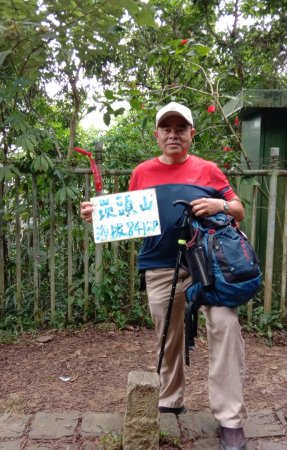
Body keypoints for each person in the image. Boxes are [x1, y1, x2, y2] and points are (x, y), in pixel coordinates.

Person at [80, 102, 248, 450]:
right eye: (166, 128)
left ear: (191, 134)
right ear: (157, 135)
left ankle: (230, 420)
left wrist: (220, 205)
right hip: (159, 265)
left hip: (206, 265)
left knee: (225, 326)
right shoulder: (142, 172)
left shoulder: (209, 170)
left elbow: (239, 210)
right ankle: (171, 399)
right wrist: (99, 215)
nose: (173, 134)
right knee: (167, 336)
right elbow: (130, 216)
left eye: (180, 128)